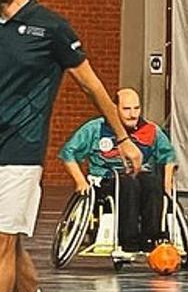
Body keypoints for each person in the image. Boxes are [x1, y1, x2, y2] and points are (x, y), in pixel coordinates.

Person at [0, 0, 141, 292]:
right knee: (14, 248)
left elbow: (93, 86)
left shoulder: (51, 29)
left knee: (2, 244)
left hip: (20, 153)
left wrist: (123, 138)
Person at [59, 87, 177, 253]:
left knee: (152, 182)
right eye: (127, 109)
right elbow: (68, 153)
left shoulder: (151, 130)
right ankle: (128, 240)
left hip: (139, 177)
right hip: (105, 180)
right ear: (115, 109)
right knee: (128, 184)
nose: (133, 114)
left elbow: (169, 156)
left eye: (136, 108)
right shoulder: (95, 128)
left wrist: (167, 182)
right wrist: (80, 181)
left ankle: (151, 238)